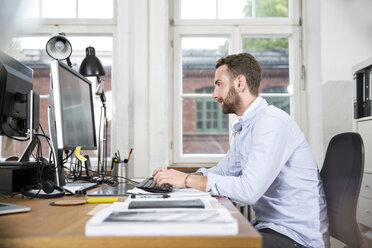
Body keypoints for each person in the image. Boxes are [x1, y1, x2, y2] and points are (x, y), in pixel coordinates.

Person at [153, 53, 330, 248]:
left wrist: (187, 180)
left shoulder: (271, 123)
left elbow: (248, 191)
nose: (214, 94)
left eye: (218, 84)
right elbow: (224, 171)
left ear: (240, 83)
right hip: (271, 228)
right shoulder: (248, 126)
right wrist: (180, 177)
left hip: (296, 237)